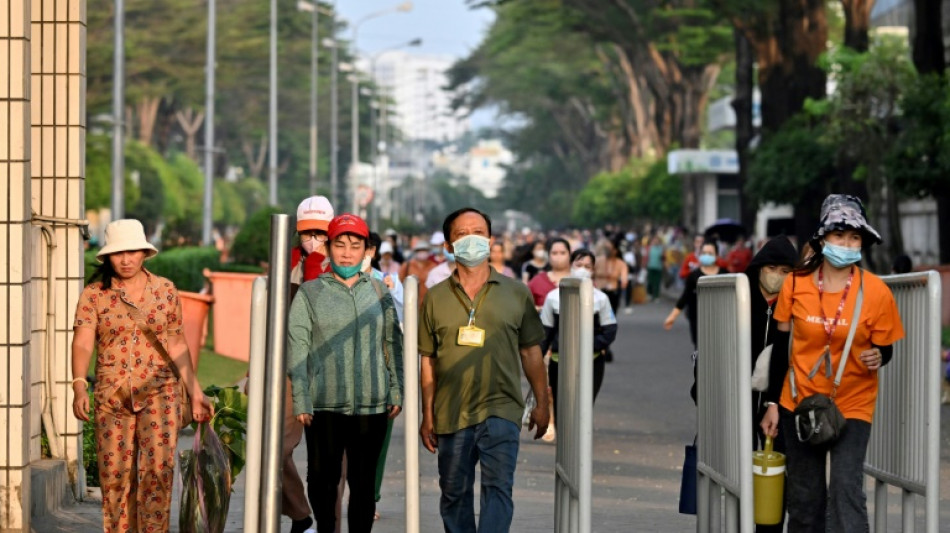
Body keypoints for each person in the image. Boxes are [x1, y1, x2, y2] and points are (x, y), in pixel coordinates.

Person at [761, 194, 904, 532]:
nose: (847, 243)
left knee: (845, 488)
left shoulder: (877, 292)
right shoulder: (795, 283)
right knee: (805, 497)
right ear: (823, 238)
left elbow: (886, 349)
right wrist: (770, 403)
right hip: (798, 400)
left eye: (854, 237)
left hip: (853, 402)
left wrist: (879, 356)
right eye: (839, 235)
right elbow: (780, 346)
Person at [71, 219, 212, 532]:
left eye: (132, 251)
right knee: (114, 478)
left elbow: (177, 344)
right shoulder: (94, 295)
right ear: (108, 256)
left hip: (161, 395)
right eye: (119, 253)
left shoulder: (165, 291)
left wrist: (196, 392)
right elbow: (82, 342)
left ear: (144, 253)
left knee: (157, 475)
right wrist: (80, 385)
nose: (126, 259)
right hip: (112, 398)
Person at [418, 207, 550, 533]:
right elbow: (428, 361)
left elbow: (531, 352)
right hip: (451, 412)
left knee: (498, 489)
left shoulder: (516, 293)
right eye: (462, 235)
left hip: (502, 408)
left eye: (478, 232)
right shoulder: (434, 298)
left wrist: (543, 403)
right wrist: (428, 414)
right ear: (448, 245)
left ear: (490, 240)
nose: (471, 240)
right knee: (453, 494)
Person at [288, 213, 404, 533]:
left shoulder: (380, 292)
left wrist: (396, 390)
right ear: (328, 249)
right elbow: (297, 348)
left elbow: (393, 344)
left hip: (372, 404)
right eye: (340, 245)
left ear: (368, 251)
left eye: (356, 246)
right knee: (323, 480)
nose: (347, 253)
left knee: (363, 485)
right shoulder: (310, 293)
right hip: (323, 404)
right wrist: (301, 398)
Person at [285, 195, 335, 532]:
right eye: (307, 233)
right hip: (292, 371)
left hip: (333, 373)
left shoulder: (346, 262)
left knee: (328, 461)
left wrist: (318, 265)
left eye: (320, 232)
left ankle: (327, 522)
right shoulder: (286, 264)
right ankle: (300, 514)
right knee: (274, 449)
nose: (313, 239)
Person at [743, 235, 798, 533]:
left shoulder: (795, 305)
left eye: (786, 271)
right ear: (760, 267)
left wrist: (774, 402)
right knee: (733, 467)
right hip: (738, 396)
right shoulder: (737, 295)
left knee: (776, 469)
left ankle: (769, 527)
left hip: (778, 401)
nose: (777, 276)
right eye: (772, 267)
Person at [539, 249, 617, 424]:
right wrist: (537, 361)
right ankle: (565, 447)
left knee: (584, 407)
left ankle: (581, 445)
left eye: (588, 266)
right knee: (561, 408)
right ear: (571, 266)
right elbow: (545, 333)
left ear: (593, 270)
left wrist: (589, 344)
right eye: (579, 264)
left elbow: (610, 330)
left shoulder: (601, 299)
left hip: (592, 362)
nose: (583, 269)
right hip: (560, 362)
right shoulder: (553, 298)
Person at [663, 241, 725, 348]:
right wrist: (672, 317)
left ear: (717, 255)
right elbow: (684, 297)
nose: (707, 256)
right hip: (697, 317)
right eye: (704, 253)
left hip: (719, 319)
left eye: (710, 253)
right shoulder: (693, 276)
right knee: (700, 347)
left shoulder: (725, 275)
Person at [528, 238, 572, 308]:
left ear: (570, 255)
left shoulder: (579, 280)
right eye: (554, 253)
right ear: (548, 256)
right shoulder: (537, 281)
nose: (558, 257)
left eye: (563, 253)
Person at [595, 241, 630, 315]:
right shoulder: (598, 260)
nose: (608, 251)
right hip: (599, 291)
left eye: (610, 249)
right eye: (606, 248)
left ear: (615, 251)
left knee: (611, 315)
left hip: (613, 292)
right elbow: (591, 273)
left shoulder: (621, 263)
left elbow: (624, 277)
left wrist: (624, 282)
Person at [400, 239, 437, 304]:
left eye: (424, 250)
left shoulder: (434, 267)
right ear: (416, 252)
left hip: (429, 303)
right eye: (420, 250)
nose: (422, 252)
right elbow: (400, 282)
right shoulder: (407, 265)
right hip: (410, 304)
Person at [645, 235, 665, 301]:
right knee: (650, 281)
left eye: (657, 240)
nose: (655, 241)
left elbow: (663, 258)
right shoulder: (650, 248)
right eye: (654, 240)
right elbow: (646, 257)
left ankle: (656, 296)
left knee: (657, 282)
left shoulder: (661, 248)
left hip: (658, 267)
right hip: (650, 266)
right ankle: (649, 294)